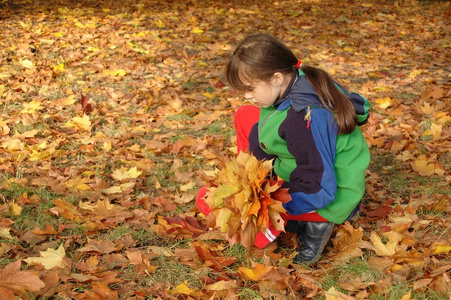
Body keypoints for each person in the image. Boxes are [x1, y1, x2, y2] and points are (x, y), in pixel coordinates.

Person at [197, 33, 370, 265]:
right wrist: (253, 177)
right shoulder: (294, 80)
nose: (247, 96)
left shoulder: (303, 117)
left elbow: (319, 187)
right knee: (245, 115)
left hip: (330, 194)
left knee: (208, 200)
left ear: (277, 78)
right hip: (302, 167)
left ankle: (314, 223)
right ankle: (258, 181)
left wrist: (268, 207)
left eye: (250, 89)